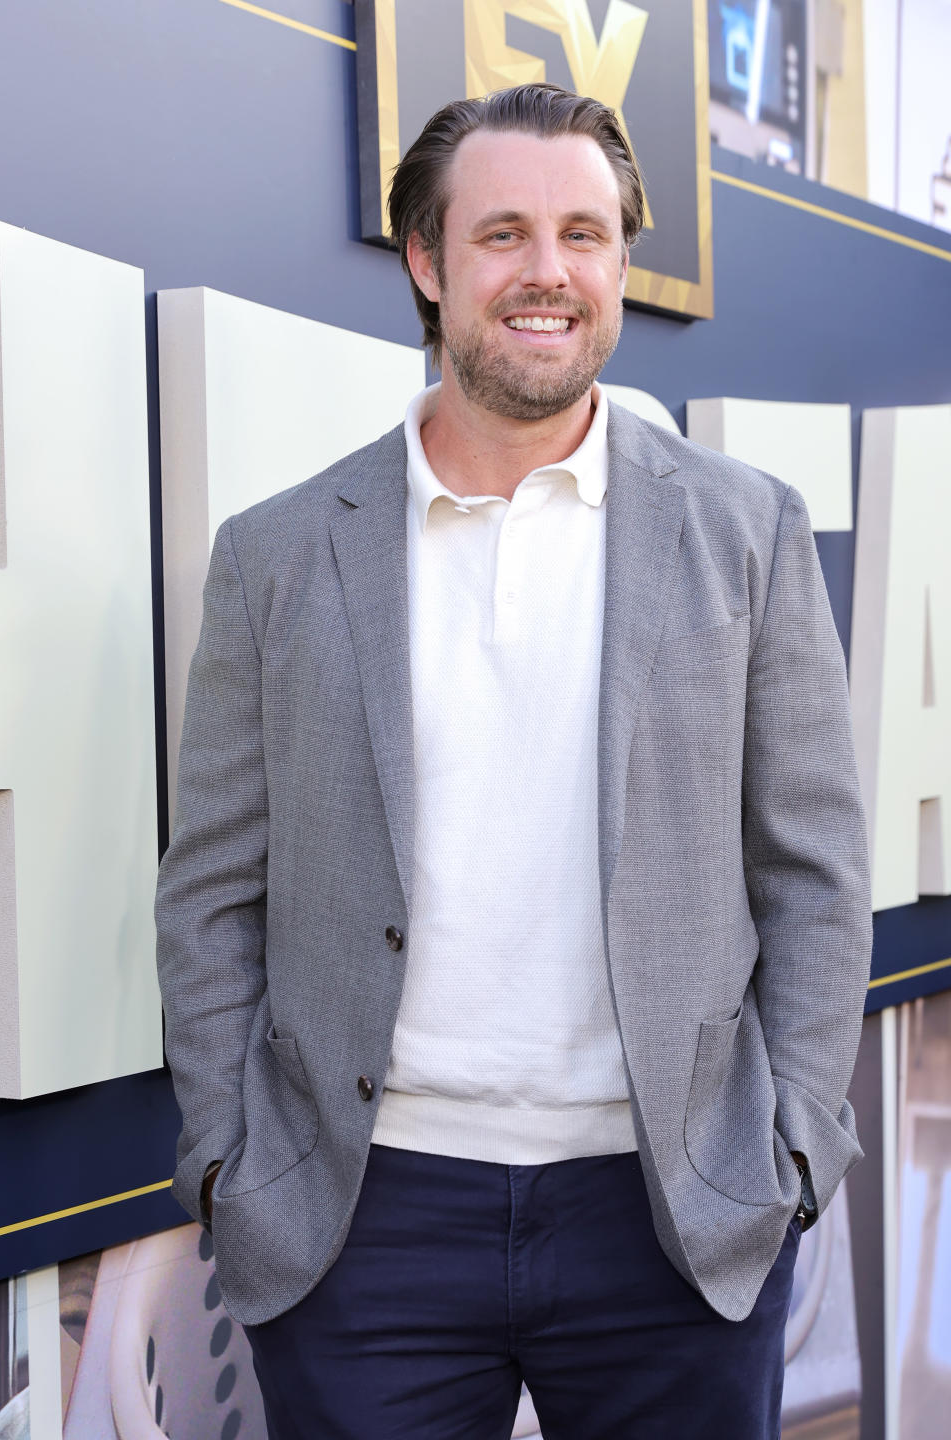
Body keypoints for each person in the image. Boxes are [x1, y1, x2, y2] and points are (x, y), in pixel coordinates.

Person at [155, 83, 872, 1439]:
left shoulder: (747, 532)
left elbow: (817, 876)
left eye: (584, 236)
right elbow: (211, 896)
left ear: (618, 264)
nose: (549, 273)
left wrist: (788, 1156)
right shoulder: (279, 555)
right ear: (428, 262)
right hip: (364, 1225)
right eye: (503, 234)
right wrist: (228, 1164)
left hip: (674, 1213)